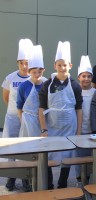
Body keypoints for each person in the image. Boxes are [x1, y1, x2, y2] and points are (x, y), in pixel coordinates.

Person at [39, 41, 83, 189]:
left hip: (69, 126)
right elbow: (41, 108)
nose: (62, 68)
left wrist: (78, 131)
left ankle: (62, 182)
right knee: (49, 154)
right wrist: (44, 129)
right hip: (52, 126)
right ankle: (49, 182)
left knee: (67, 155)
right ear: (55, 66)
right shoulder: (48, 84)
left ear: (70, 66)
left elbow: (79, 109)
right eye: (59, 65)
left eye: (65, 65)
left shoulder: (75, 85)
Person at [2, 38, 33, 192]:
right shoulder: (10, 78)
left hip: (29, 119)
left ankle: (26, 178)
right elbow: (6, 98)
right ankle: (11, 177)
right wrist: (16, 112)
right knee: (11, 149)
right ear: (18, 63)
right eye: (22, 62)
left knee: (26, 149)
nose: (25, 66)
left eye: (27, 62)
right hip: (13, 118)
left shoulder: (35, 77)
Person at [75, 55, 96, 184]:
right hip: (79, 130)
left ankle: (89, 181)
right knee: (78, 157)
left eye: (89, 76)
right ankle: (80, 182)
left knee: (90, 157)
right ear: (79, 77)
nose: (86, 79)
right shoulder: (74, 90)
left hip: (92, 130)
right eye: (83, 76)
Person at [18, 45, 47, 138]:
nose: (37, 74)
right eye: (34, 72)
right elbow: (19, 106)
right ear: (29, 72)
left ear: (43, 71)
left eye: (40, 72)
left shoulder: (46, 85)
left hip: (42, 121)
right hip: (27, 121)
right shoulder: (23, 86)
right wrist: (23, 121)